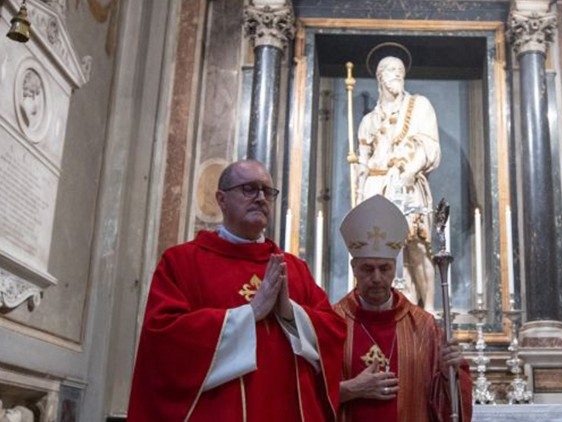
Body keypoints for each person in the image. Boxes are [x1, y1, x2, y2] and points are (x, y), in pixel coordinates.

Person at [127, 159, 345, 421]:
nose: (261, 198)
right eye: (249, 189)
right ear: (221, 199)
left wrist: (290, 313)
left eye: (267, 191)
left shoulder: (294, 268)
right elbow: (164, 339)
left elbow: (334, 331)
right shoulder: (182, 263)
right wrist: (249, 314)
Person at [334, 195, 472, 422]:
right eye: (368, 269)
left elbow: (442, 403)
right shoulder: (331, 322)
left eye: (384, 268)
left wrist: (452, 373)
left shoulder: (424, 326)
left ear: (395, 268)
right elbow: (306, 394)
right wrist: (350, 389)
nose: (377, 278)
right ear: (354, 268)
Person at [355, 53, 441, 313]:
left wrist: (410, 170)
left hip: (407, 183)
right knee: (379, 252)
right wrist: (360, 194)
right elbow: (362, 162)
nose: (398, 74)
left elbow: (431, 145)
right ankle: (386, 308)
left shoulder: (419, 106)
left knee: (417, 248)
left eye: (401, 70)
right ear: (380, 77)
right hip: (376, 186)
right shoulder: (368, 121)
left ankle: (429, 313)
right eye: (392, 70)